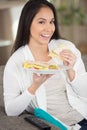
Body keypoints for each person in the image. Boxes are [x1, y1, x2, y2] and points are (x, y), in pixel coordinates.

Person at [3, 0, 87, 129]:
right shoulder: (16, 62)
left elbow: (84, 92)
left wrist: (71, 71)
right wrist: (34, 87)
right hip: (60, 125)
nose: (49, 28)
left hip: (82, 116)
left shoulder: (66, 48)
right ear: (27, 23)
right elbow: (11, 111)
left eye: (51, 22)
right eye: (41, 22)